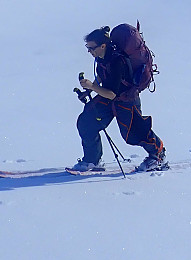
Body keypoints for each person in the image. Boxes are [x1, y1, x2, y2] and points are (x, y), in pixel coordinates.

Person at [72, 26, 167, 172]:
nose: (89, 51)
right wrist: (91, 88)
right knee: (87, 122)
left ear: (103, 46)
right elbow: (103, 79)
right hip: (110, 98)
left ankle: (158, 154)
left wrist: (92, 87)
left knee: (133, 134)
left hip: (126, 99)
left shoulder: (118, 61)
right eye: (87, 48)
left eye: (91, 48)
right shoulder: (101, 57)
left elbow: (112, 93)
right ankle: (92, 160)